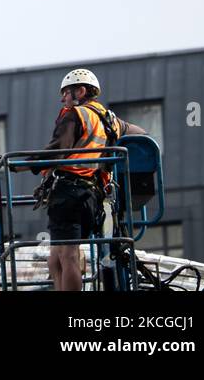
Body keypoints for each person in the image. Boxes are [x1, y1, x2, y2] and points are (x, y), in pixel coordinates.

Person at [29, 68, 146, 291]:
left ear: (80, 91)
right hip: (91, 198)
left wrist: (26, 164)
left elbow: (58, 150)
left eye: (65, 93)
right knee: (56, 258)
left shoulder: (75, 114)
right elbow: (141, 134)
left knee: (67, 255)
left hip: (69, 193)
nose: (62, 99)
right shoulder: (110, 119)